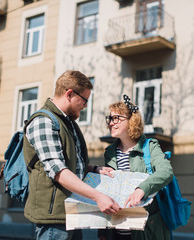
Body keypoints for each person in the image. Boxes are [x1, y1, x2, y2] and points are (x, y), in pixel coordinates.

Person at [23, 70, 121, 240]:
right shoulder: (44, 122)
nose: (85, 106)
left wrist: (94, 169)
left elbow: (71, 163)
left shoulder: (68, 123)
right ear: (69, 94)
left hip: (71, 212)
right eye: (84, 100)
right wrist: (98, 197)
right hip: (54, 219)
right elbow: (59, 171)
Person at [100, 94, 173, 240]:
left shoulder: (150, 146)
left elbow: (166, 171)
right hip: (116, 230)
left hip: (146, 229)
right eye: (110, 118)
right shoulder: (110, 152)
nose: (111, 123)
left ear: (132, 121)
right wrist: (103, 233)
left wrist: (142, 189)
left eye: (116, 118)